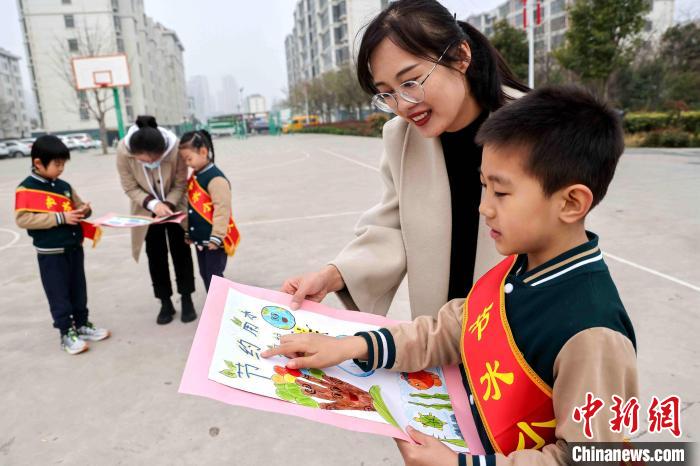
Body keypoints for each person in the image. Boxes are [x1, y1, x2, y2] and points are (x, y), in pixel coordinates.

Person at [264, 86, 638, 465]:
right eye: (483, 186)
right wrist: (350, 346)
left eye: (501, 193)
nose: (484, 208)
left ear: (571, 203)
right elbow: (450, 329)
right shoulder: (519, 267)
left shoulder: (593, 334)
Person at [282, 0, 529, 318]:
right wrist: (333, 275)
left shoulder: (533, 127)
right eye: (386, 93)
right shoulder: (402, 138)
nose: (402, 104)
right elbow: (393, 227)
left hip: (516, 330)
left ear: (461, 56)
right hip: (437, 336)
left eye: (411, 82)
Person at [15, 135, 109, 355]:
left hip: (74, 247)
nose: (61, 169)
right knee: (59, 293)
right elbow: (23, 219)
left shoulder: (64, 186)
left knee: (78, 289)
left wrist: (85, 210)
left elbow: (77, 206)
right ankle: (66, 333)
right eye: (57, 164)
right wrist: (60, 218)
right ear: (38, 163)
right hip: (51, 253)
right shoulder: (26, 189)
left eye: (63, 164)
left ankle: (82, 324)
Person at [116, 115, 197, 324]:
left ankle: (187, 298)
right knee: (156, 256)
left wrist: (168, 204)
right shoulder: (124, 152)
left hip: (175, 207)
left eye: (155, 159)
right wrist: (153, 204)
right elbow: (129, 186)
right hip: (146, 212)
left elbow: (180, 183)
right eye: (145, 161)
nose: (151, 163)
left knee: (182, 253)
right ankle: (165, 302)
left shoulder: (175, 148)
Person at [179, 129, 241, 293]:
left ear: (203, 152)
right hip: (201, 241)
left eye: (189, 158)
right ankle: (217, 303)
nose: (187, 163)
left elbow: (222, 210)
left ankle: (219, 306)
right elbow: (191, 208)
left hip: (214, 241)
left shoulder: (216, 179)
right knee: (205, 274)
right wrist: (189, 232)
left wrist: (217, 237)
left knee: (214, 276)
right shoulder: (196, 176)